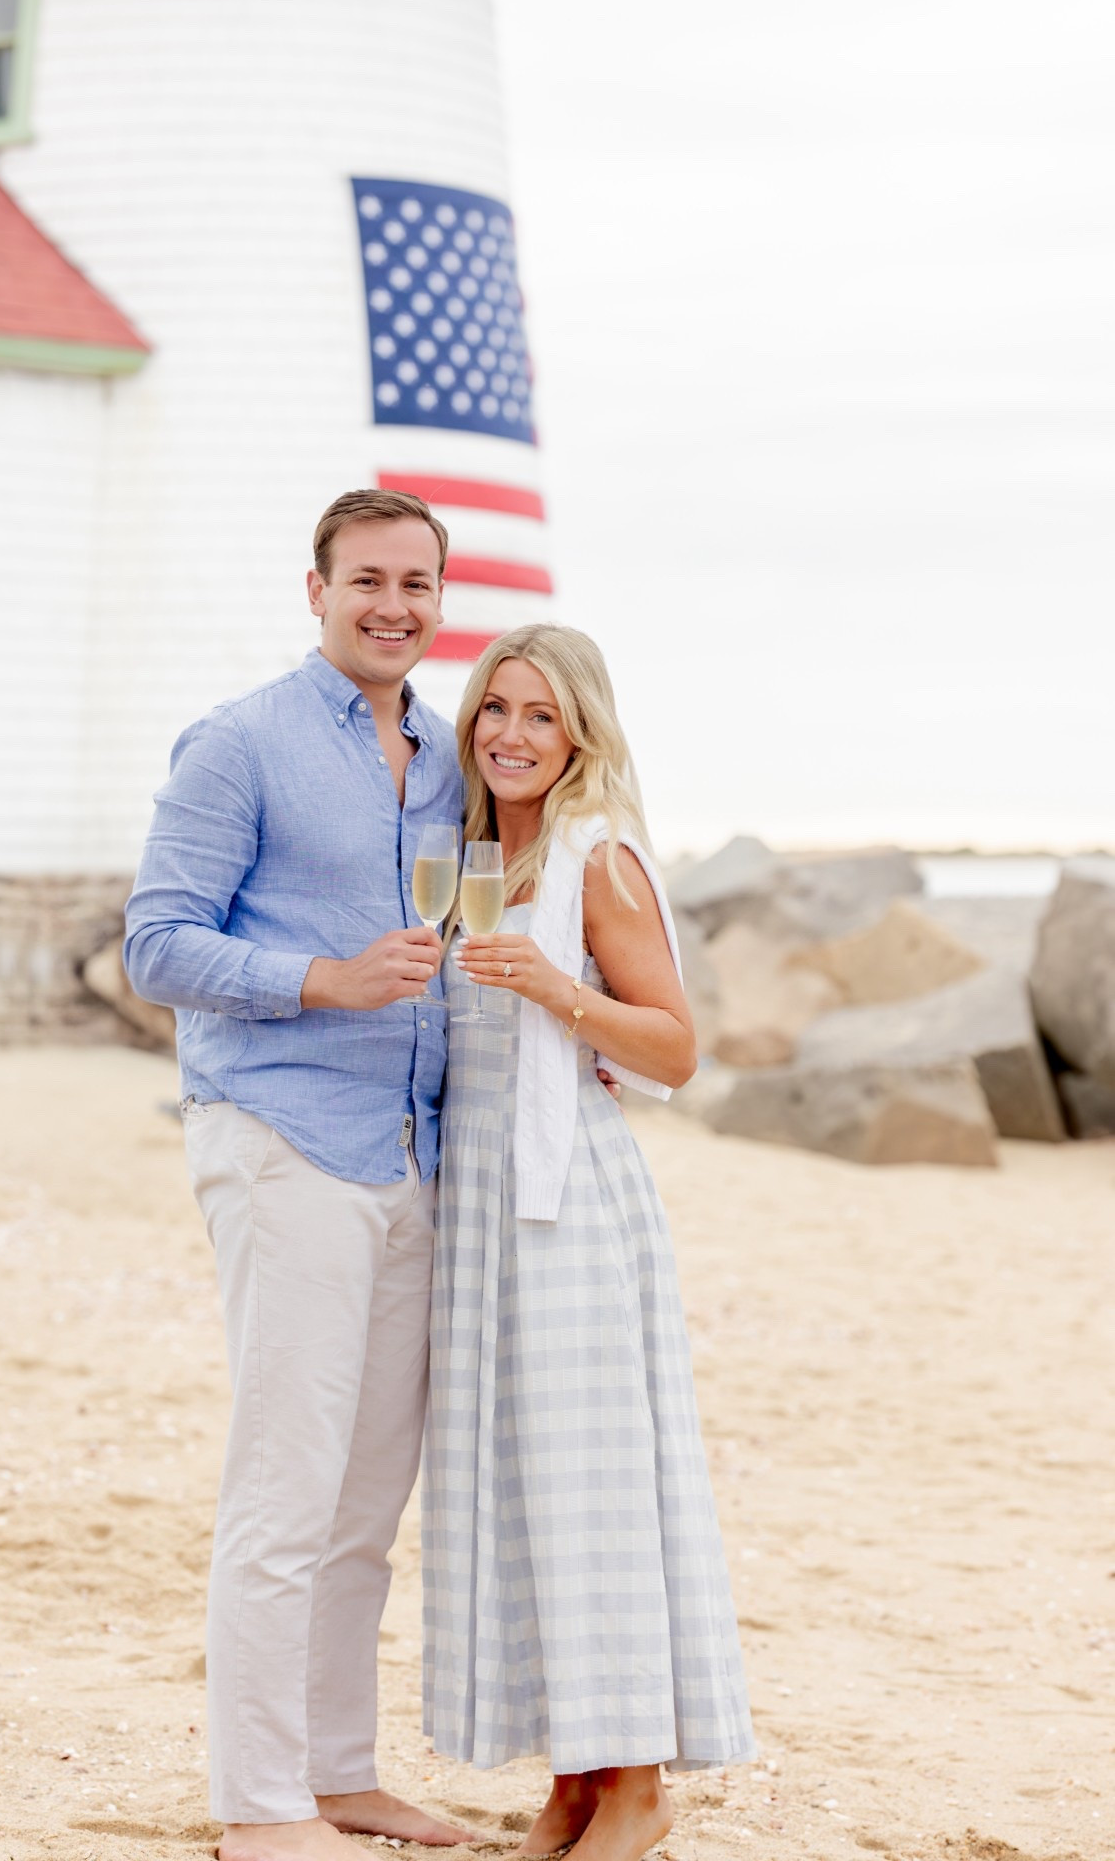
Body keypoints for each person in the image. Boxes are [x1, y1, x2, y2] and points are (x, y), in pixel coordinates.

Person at [123, 488, 472, 1861]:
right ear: (316, 588)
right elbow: (155, 946)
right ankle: (256, 1807)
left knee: (364, 1505)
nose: (394, 604)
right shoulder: (238, 744)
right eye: (368, 579)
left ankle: (340, 1775)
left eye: (418, 584)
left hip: (409, 1152)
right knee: (284, 1487)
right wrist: (323, 981)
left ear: (442, 600)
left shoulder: (449, 758)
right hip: (280, 1143)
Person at [422, 624, 756, 1861]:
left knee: (596, 1485)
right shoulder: (456, 854)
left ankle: (636, 1787)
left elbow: (673, 1048)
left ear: (580, 736)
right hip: (477, 1216)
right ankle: (572, 1779)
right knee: (522, 1491)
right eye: (494, 709)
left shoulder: (596, 860)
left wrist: (558, 988)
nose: (510, 733)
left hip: (568, 1205)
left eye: (541, 716)